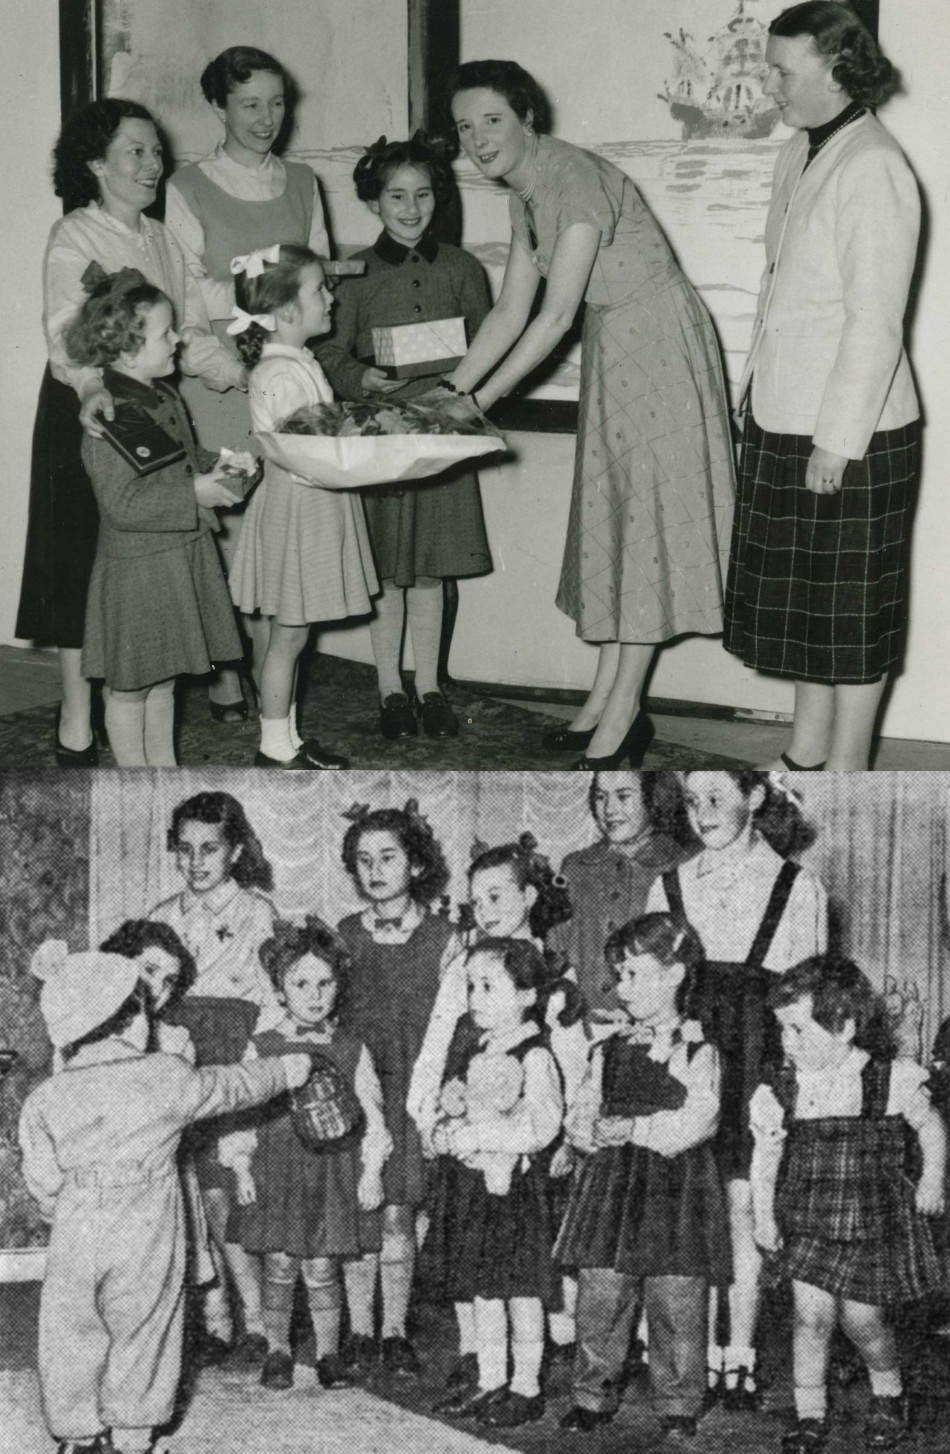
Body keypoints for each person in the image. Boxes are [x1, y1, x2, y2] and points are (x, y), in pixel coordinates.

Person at [444, 60, 735, 768]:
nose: (478, 139)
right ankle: (605, 700)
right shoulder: (526, 192)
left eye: (492, 120)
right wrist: (446, 392)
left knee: (647, 532)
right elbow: (510, 309)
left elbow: (552, 319)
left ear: (527, 118)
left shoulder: (572, 181)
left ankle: (625, 713)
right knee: (620, 522)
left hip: (660, 345)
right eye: (465, 126)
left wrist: (475, 406)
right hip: (620, 346)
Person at [14, 98, 245, 767]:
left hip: (147, 403)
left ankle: (125, 724)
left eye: (154, 151)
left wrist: (245, 374)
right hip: (85, 407)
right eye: (134, 151)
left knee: (135, 568)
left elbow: (192, 329)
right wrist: (91, 388)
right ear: (95, 162)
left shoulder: (161, 237)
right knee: (79, 566)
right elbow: (68, 328)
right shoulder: (77, 236)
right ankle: (77, 723)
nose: (151, 164)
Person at [18, 939, 313, 1454]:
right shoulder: (164, 1075)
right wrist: (288, 1069)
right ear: (133, 1019)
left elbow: (40, 1176)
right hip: (145, 1230)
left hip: (76, 1226)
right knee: (146, 1326)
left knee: (71, 1329)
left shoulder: (45, 1097)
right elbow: (233, 1085)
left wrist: (57, 1210)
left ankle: (78, 1437)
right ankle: (133, 1438)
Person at [724, 2, 920, 772]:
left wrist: (837, 444)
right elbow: (780, 293)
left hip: (853, 430)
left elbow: (875, 323)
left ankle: (847, 773)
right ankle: (805, 755)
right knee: (808, 605)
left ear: (837, 71)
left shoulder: (874, 165)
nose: (766, 84)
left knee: (851, 614)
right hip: (786, 414)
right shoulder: (800, 153)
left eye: (781, 71)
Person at [648, 771, 828, 1410]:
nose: (702, 812)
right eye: (692, 801)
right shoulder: (668, 885)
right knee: (691, 1209)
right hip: (691, 1062)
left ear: (756, 796)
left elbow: (810, 1002)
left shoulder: (798, 887)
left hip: (759, 1062)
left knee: (744, 1209)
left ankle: (741, 1355)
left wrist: (782, 1088)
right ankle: (689, 1356)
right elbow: (653, 990)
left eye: (718, 796)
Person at [165, 44, 330, 714]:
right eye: (249, 104)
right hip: (220, 384)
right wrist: (233, 366)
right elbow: (182, 300)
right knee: (228, 525)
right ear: (218, 107)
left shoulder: (303, 184)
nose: (267, 118)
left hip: (284, 385)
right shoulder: (186, 187)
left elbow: (312, 283)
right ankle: (227, 666)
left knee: (280, 528)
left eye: (277, 102)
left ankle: (269, 672)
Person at [316, 134, 492, 740]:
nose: (411, 208)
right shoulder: (356, 275)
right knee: (389, 570)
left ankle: (431, 685)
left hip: (443, 439)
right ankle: (390, 686)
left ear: (438, 198)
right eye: (397, 195)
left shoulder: (464, 270)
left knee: (433, 571)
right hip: (381, 442)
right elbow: (330, 353)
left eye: (422, 195)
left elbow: (488, 351)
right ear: (374, 200)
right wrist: (356, 375)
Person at [407, 835, 586, 1397]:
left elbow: (573, 1066)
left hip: (527, 1140)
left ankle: (534, 1366)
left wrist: (571, 1137)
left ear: (529, 896)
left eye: (496, 896)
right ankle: (480, 1358)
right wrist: (428, 1113)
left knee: (524, 1267)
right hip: (468, 1123)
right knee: (470, 1258)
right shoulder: (465, 964)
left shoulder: (554, 971)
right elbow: (438, 1044)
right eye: (476, 901)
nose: (485, 910)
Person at [751, 956, 946, 1454]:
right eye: (782, 1030)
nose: (785, 1042)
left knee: (863, 1321)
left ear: (844, 1028)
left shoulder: (891, 1078)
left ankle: (888, 1393)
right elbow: (766, 1158)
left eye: (797, 1030)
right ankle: (810, 1414)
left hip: (871, 1219)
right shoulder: (780, 1089)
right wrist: (763, 1215)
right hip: (808, 1218)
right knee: (809, 1320)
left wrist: (931, 1180)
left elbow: (931, 1127)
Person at [556, 913, 731, 1442]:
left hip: (674, 1188)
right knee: (601, 1293)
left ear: (675, 974)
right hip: (611, 1186)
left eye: (633, 975)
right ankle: (591, 1394)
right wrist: (584, 1131)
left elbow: (699, 1120)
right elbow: (580, 1111)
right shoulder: (606, 1049)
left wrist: (633, 1127)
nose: (621, 988)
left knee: (676, 1298)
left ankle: (679, 1400)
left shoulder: (698, 1052)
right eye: (619, 976)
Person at [63, 265, 247, 766]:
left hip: (176, 559)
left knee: (164, 680)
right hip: (138, 569)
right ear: (125, 347)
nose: (175, 343)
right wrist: (195, 495)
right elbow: (122, 505)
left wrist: (226, 465)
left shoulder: (163, 394)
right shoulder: (109, 416)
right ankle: (132, 782)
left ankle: (162, 776)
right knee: (130, 688)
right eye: (164, 334)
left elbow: (181, 459)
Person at [219, 918, 391, 1393]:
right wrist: (240, 1163)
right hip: (278, 1172)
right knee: (279, 1266)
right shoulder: (264, 1046)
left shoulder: (351, 1049)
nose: (314, 995)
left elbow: (374, 1116)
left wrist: (372, 1169)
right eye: (300, 983)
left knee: (322, 1268)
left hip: (333, 1172)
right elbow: (242, 1112)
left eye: (324, 983)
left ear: (339, 987)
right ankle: (278, 1350)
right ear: (279, 989)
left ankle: (330, 1352)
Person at [227, 244, 377, 770]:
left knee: (292, 637)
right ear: (288, 310)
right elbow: (309, 452)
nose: (331, 298)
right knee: (288, 638)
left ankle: (286, 740)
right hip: (301, 507)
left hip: (305, 504)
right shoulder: (282, 374)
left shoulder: (294, 362)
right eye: (320, 289)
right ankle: (274, 745)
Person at [149, 791, 282, 1367]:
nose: (196, 861)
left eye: (209, 849)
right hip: (178, 1055)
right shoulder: (159, 918)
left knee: (228, 1192)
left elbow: (275, 1001)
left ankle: (255, 1319)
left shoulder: (258, 913)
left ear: (235, 851)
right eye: (185, 850)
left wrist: (254, 1062)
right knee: (187, 1194)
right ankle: (212, 1319)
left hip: (234, 1053)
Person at [420, 938, 566, 1428]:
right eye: (471, 986)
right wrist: (446, 1126)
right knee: (483, 1291)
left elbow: (543, 1126)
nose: (475, 998)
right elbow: (460, 1103)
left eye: (488, 986)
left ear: (526, 994)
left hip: (515, 1194)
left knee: (522, 1294)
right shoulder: (478, 1047)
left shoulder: (535, 1055)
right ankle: (490, 1379)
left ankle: (526, 1386)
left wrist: (480, 1133)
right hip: (474, 1189)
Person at [336, 800, 455, 1376]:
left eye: (388, 857)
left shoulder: (444, 938)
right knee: (362, 1213)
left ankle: (394, 1330)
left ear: (415, 864)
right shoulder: (342, 935)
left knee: (398, 1214)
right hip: (360, 1089)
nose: (375, 870)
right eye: (363, 860)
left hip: (413, 1087)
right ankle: (359, 1328)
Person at [549, 773, 693, 1017]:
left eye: (624, 796)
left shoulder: (680, 865)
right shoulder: (574, 867)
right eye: (601, 797)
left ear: (653, 799)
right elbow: (555, 949)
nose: (609, 809)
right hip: (582, 1024)